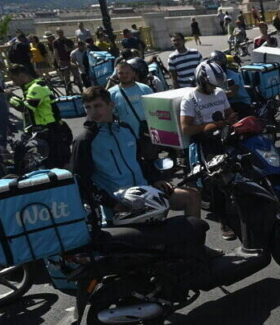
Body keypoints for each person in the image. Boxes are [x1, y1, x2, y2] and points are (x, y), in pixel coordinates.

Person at [71, 86, 199, 224]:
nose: (93, 112)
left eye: (97, 105)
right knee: (156, 239)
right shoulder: (84, 140)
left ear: (111, 105)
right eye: (87, 107)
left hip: (146, 192)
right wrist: (112, 204)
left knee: (192, 196)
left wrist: (155, 180)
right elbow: (81, 182)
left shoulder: (125, 128)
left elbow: (139, 160)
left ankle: (195, 245)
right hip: (120, 203)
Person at [180, 61, 238, 240]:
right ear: (201, 80)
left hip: (224, 135)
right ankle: (224, 221)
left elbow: (229, 112)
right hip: (204, 143)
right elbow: (186, 128)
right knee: (216, 180)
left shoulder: (219, 93)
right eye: (211, 84)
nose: (214, 88)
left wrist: (232, 117)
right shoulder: (190, 99)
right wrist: (212, 125)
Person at [6, 64, 71, 168]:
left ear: (22, 76)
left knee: (59, 161)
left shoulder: (36, 88)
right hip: (43, 131)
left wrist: (10, 97)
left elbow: (26, 109)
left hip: (50, 129)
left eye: (13, 79)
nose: (13, 82)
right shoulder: (29, 88)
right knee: (49, 161)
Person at [108, 60, 154, 140]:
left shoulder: (145, 89)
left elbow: (154, 111)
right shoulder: (111, 93)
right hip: (125, 138)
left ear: (133, 73)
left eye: (127, 72)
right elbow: (109, 116)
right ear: (117, 75)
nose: (125, 75)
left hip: (147, 136)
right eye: (121, 73)